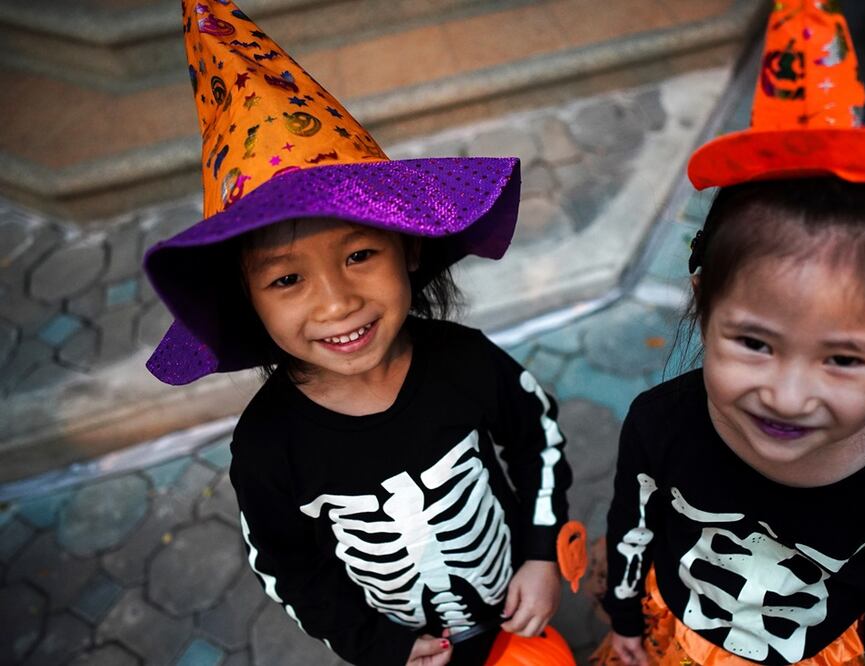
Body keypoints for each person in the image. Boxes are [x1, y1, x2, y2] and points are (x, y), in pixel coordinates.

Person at [143, 1, 576, 664]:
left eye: (359, 256)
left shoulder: (464, 360)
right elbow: (289, 568)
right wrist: (375, 643)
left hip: (522, 617)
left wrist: (542, 550)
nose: (337, 303)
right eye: (287, 280)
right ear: (247, 302)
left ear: (407, 250)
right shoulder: (267, 446)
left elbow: (537, 439)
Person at [596, 3, 865, 665]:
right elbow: (631, 527)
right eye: (754, 343)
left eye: (842, 358)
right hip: (672, 637)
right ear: (702, 303)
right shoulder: (657, 424)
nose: (788, 397)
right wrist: (621, 617)